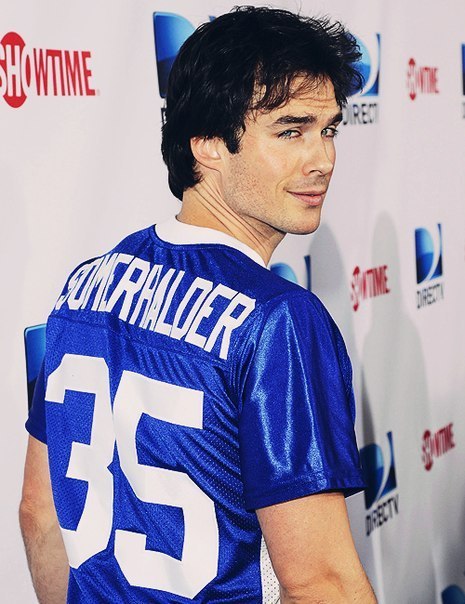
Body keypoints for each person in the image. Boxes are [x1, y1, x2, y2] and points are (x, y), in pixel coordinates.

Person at [20, 6, 377, 603]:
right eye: (291, 131)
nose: (322, 159)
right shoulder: (277, 320)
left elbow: (39, 514)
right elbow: (320, 583)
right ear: (208, 144)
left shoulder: (82, 288)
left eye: (329, 130)